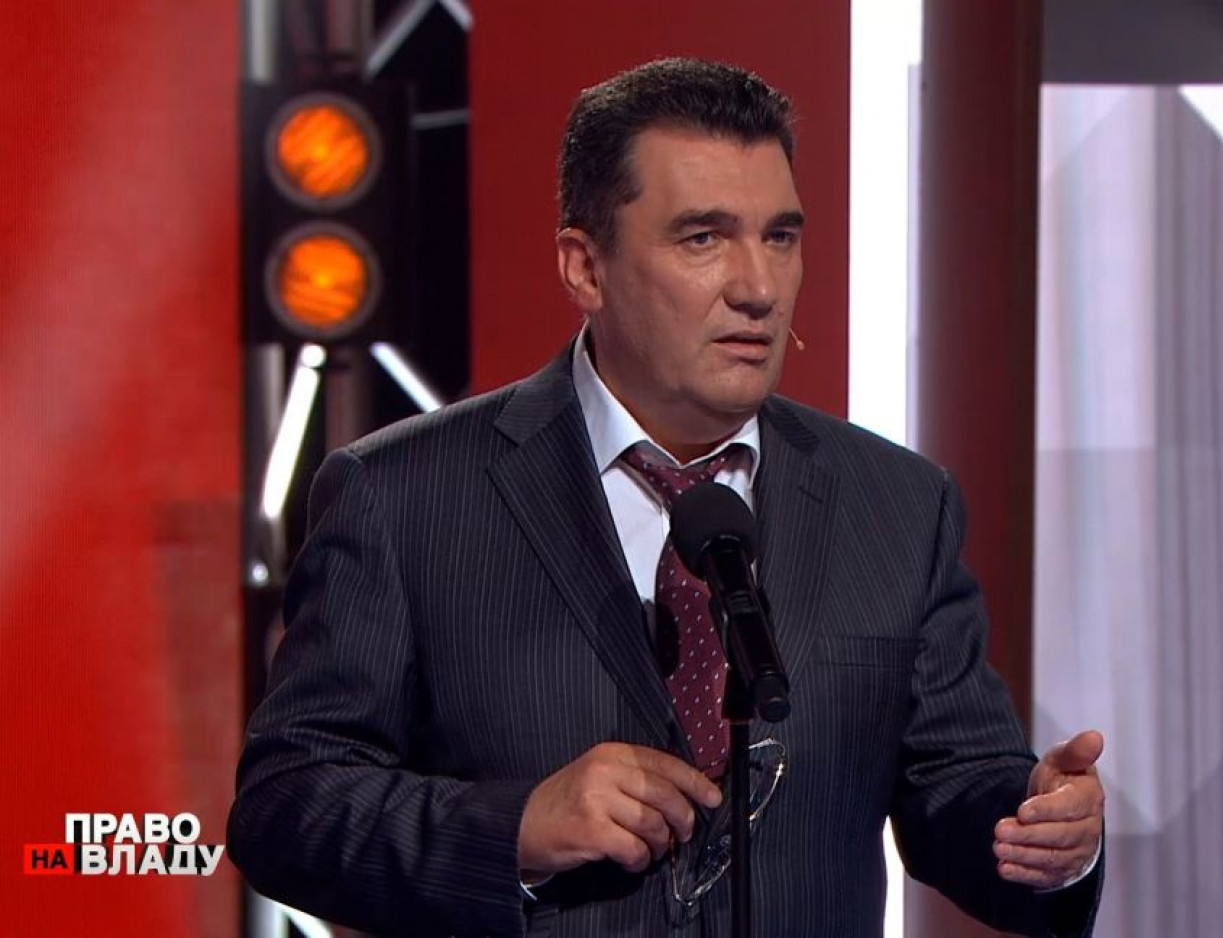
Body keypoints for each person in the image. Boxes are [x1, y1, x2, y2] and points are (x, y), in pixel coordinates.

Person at [229, 57, 1105, 937]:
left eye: (780, 237)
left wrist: (1043, 830)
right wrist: (516, 829)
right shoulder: (405, 497)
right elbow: (284, 807)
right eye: (703, 239)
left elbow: (957, 788)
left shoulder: (897, 505)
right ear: (585, 267)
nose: (758, 288)